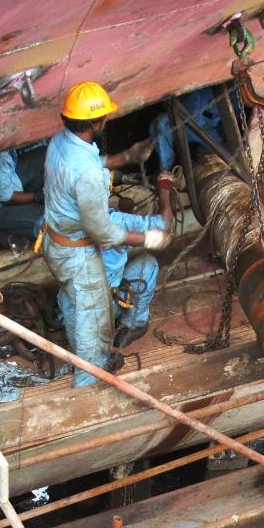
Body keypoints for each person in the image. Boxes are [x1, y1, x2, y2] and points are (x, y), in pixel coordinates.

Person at [41, 81, 166, 387]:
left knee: (76, 302)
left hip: (55, 241)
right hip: (78, 253)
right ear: (97, 122)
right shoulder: (88, 176)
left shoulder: (60, 142)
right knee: (94, 321)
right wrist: (149, 239)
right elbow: (103, 233)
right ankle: (88, 382)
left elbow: (88, 164)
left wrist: (127, 156)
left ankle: (78, 349)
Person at [102, 171, 176, 348]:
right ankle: (134, 324)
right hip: (102, 310)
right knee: (147, 264)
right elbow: (164, 224)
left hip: (71, 310)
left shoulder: (56, 217)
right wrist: (164, 187)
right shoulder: (114, 221)